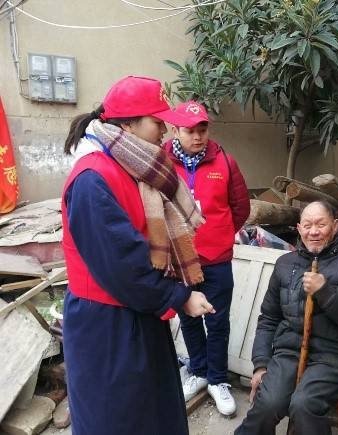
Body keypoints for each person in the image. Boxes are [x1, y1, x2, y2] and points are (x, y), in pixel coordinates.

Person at [61, 76, 215, 435]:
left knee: (151, 414)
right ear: (128, 125)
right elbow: (124, 267)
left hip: (137, 313)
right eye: (157, 121)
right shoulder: (93, 179)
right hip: (108, 327)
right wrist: (179, 296)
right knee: (119, 419)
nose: (164, 130)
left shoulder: (133, 168)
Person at [235, 201, 338, 435]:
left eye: (321, 225)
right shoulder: (285, 264)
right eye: (307, 225)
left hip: (335, 353)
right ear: (299, 228)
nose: (314, 231)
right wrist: (260, 364)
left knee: (304, 406)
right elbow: (269, 318)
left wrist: (326, 292)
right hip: (289, 350)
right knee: (268, 404)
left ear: (335, 226)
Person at [164, 100, 250, 416]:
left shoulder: (225, 161)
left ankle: (217, 379)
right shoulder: (161, 161)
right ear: (175, 130)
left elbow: (240, 208)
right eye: (190, 131)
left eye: (202, 129)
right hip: (179, 259)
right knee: (187, 316)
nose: (198, 136)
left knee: (217, 320)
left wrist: (220, 235)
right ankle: (199, 371)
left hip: (216, 259)